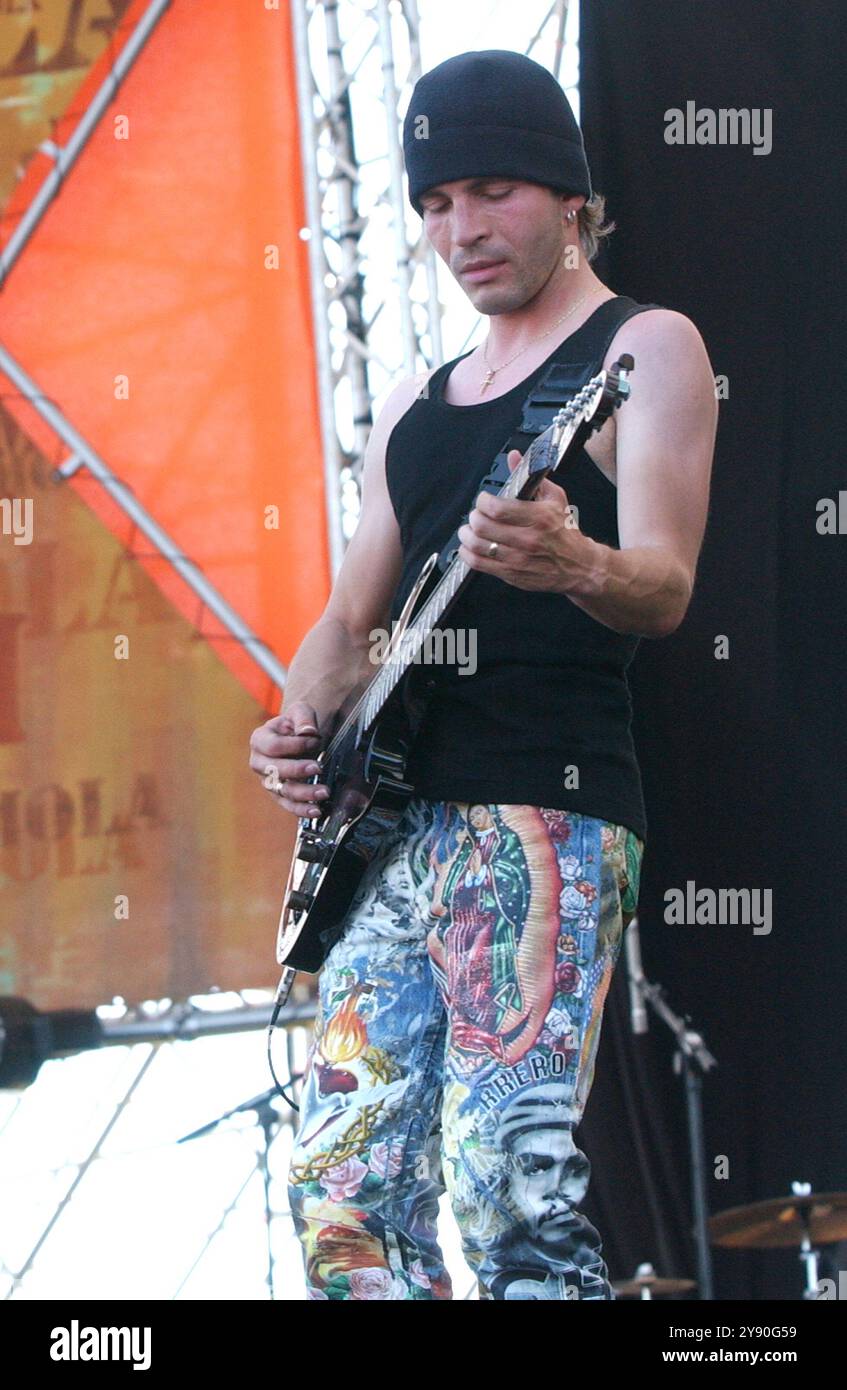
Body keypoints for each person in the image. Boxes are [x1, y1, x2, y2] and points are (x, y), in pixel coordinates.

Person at [249, 49, 717, 1300]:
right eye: (436, 203)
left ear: (571, 197)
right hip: (387, 840)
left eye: (493, 191)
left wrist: (568, 559)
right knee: (340, 1203)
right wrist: (297, 724)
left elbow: (664, 584)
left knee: (505, 1184)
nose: (462, 230)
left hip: (541, 816)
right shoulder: (414, 404)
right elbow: (348, 626)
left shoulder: (643, 347)